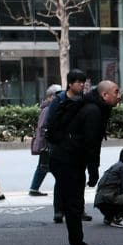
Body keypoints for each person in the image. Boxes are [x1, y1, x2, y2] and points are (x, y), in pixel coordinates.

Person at [47, 76, 119, 245]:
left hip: (65, 158)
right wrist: (93, 172)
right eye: (116, 92)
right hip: (67, 160)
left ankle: (77, 244)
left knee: (74, 203)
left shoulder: (92, 106)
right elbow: (91, 145)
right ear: (104, 95)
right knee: (74, 204)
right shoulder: (93, 111)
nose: (119, 96)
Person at [46, 72, 93, 225]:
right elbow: (51, 123)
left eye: (83, 82)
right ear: (70, 84)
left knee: (79, 178)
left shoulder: (84, 101)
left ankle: (79, 209)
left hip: (78, 147)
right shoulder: (59, 100)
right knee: (62, 179)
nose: (82, 85)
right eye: (79, 82)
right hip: (61, 147)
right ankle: (58, 211)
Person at [28, 83, 62, 204]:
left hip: (46, 143)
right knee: (48, 166)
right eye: (58, 95)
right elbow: (43, 127)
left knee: (43, 166)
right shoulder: (48, 109)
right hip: (47, 144)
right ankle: (34, 188)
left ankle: (34, 188)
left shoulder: (48, 107)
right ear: (51, 96)